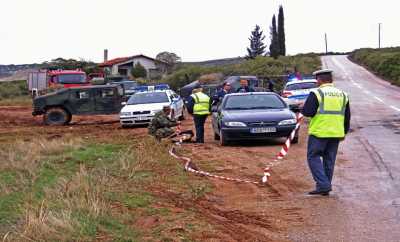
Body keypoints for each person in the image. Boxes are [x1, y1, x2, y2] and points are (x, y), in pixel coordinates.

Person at [301, 69, 351, 196]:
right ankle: (324, 185)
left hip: (319, 132)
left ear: (319, 80)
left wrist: (303, 107)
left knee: (313, 157)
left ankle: (323, 185)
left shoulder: (316, 93)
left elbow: (308, 112)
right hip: (336, 132)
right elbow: (347, 116)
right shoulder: (343, 94)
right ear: (331, 80)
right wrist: (344, 132)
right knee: (329, 159)